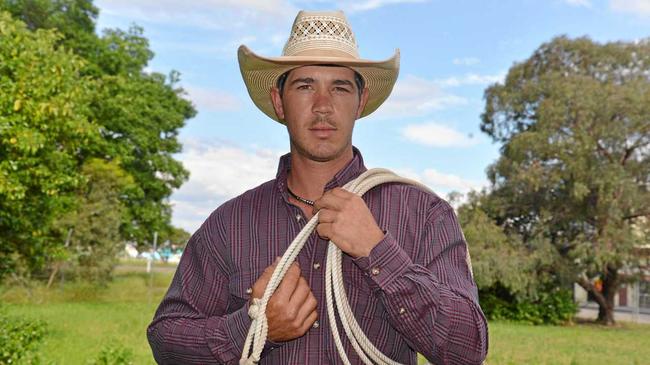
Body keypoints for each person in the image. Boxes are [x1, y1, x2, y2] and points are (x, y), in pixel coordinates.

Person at [147, 10, 488, 365]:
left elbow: (467, 350)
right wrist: (254, 329)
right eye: (305, 86)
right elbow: (166, 341)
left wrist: (377, 250)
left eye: (340, 88)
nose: (323, 106)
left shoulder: (423, 213)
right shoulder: (231, 223)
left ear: (361, 101)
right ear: (279, 102)